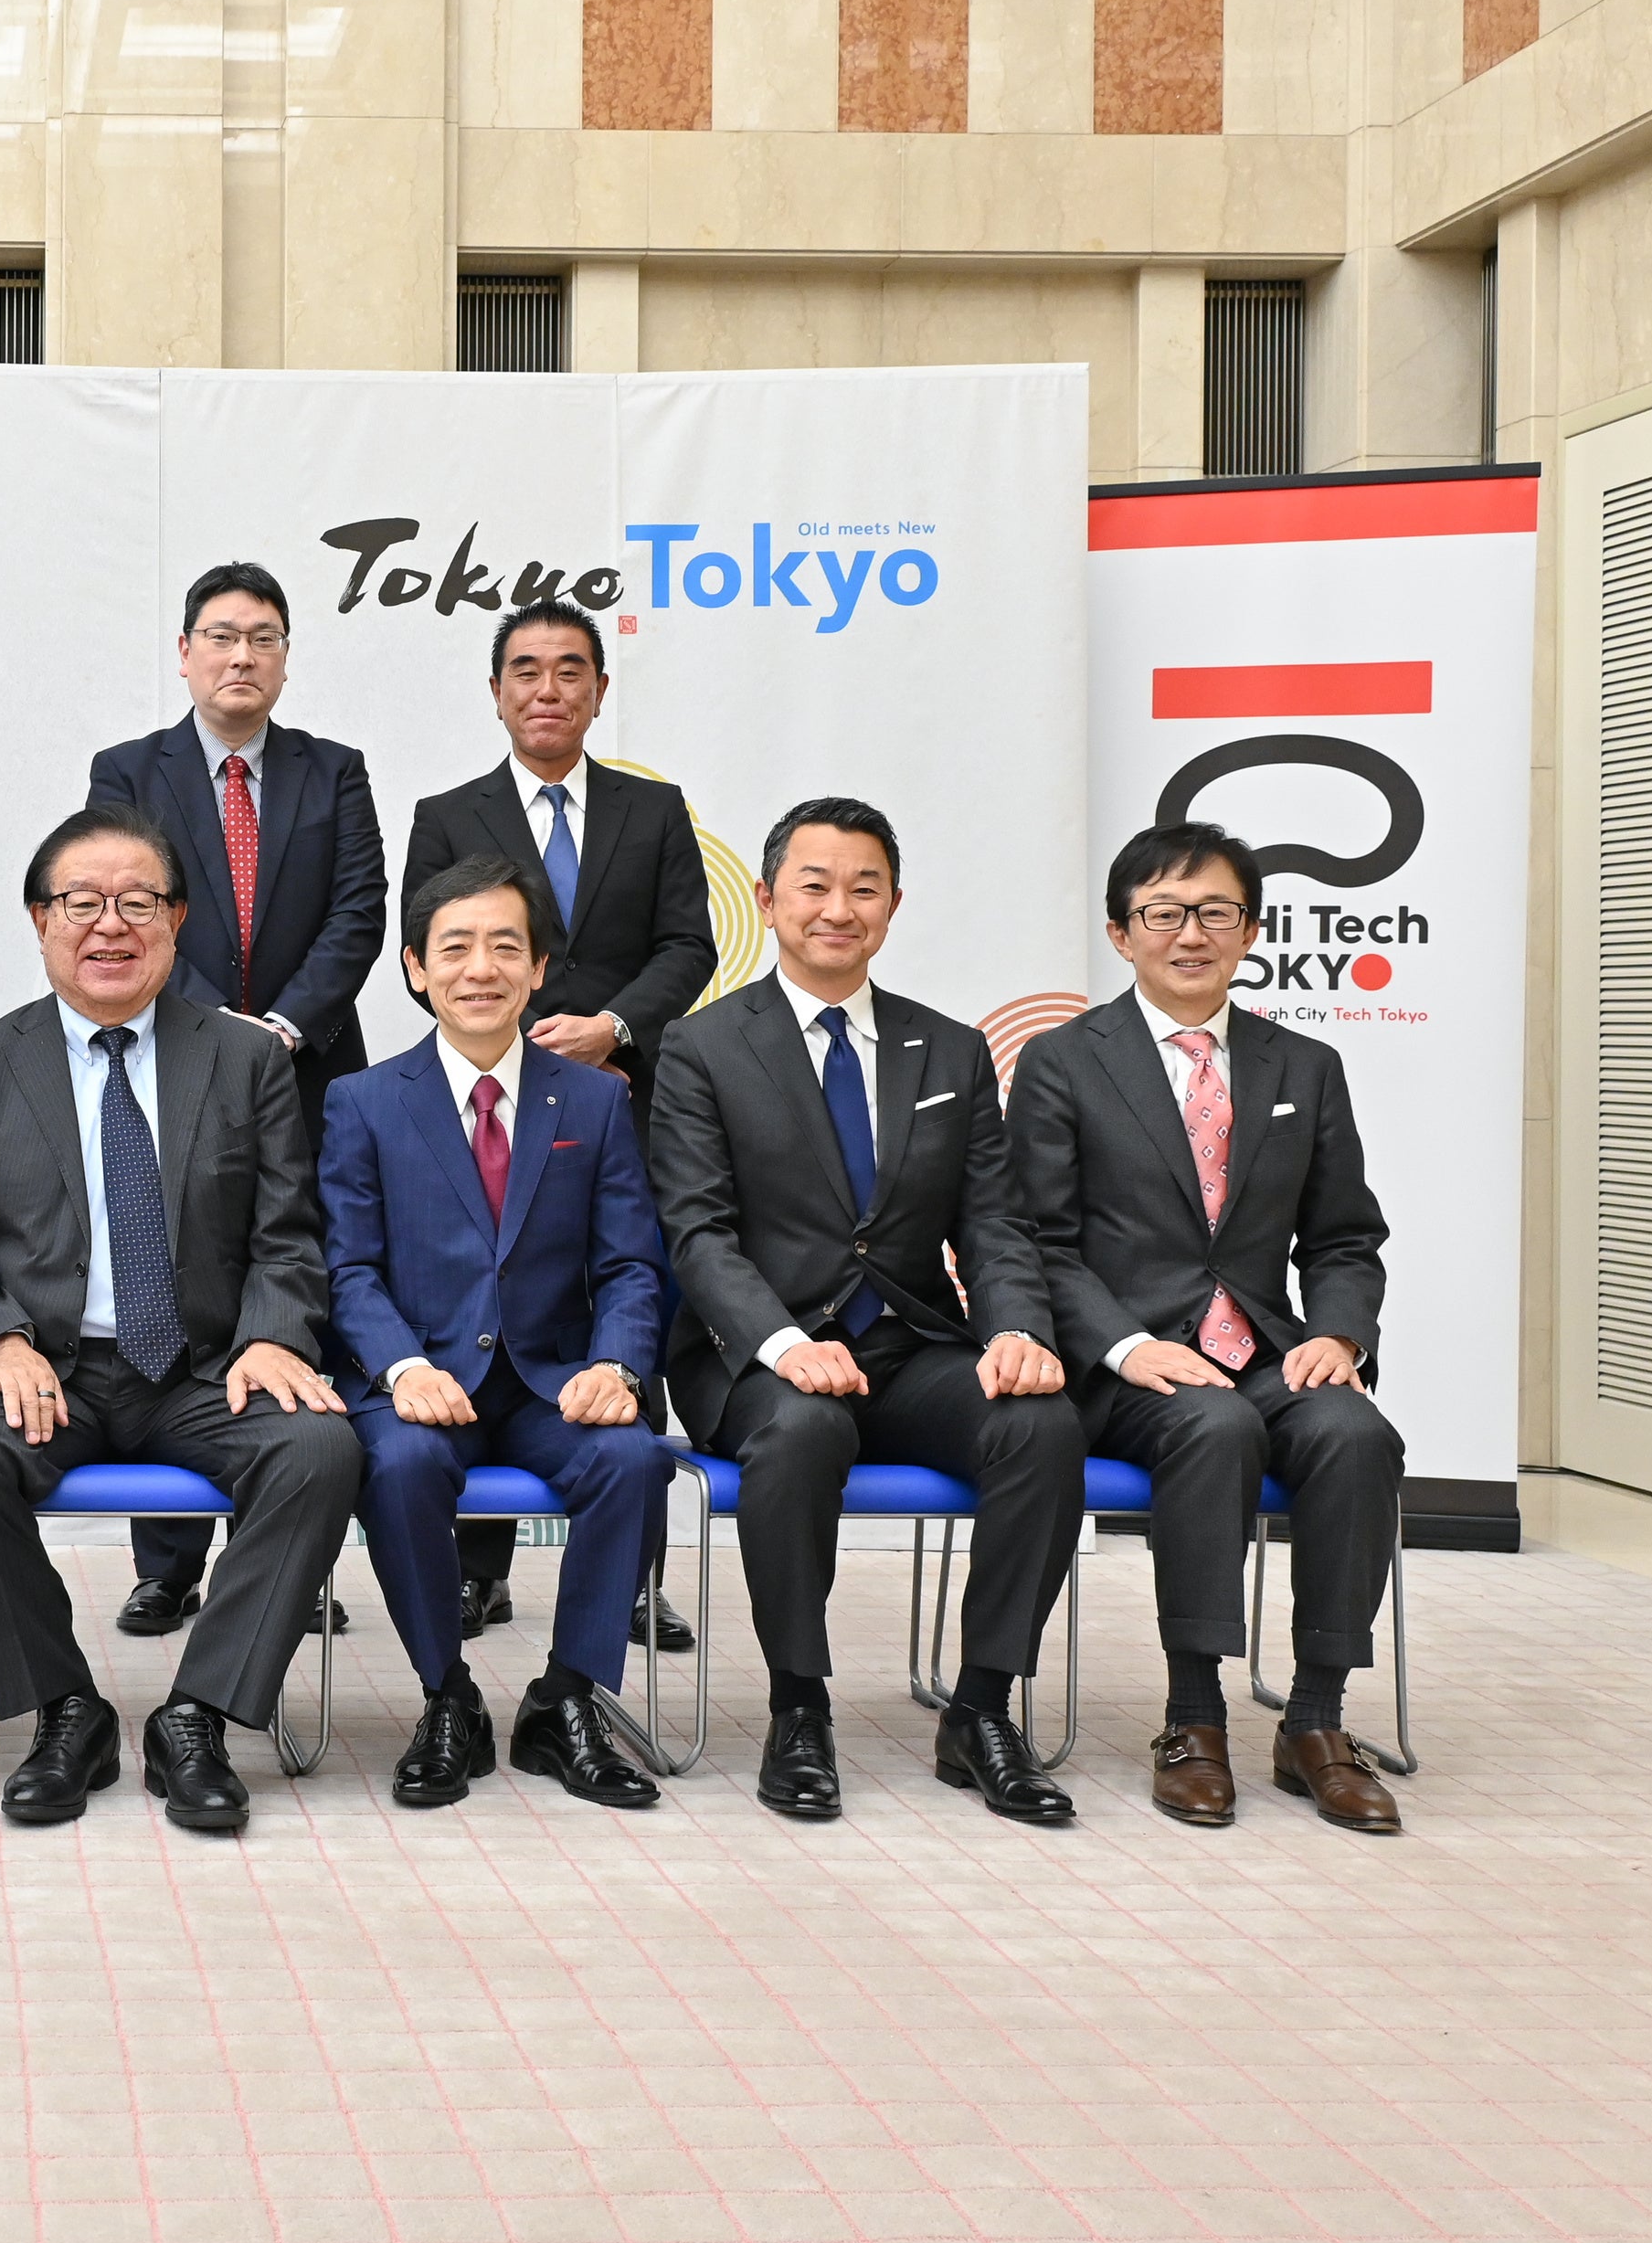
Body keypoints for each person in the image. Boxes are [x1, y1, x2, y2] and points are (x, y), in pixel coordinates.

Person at [0, 807, 363, 1836]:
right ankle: (67, 1708)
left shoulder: (244, 1057)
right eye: (82, 902)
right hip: (41, 1367)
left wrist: (272, 1334)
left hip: (203, 1366)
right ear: (39, 919)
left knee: (319, 1450)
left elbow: (289, 1232)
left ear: (177, 919)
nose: (110, 924)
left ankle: (198, 1714)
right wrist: (0, 1340)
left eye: (138, 902)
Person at [645, 797, 1084, 1825]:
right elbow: (698, 1233)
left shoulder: (950, 1050)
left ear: (893, 904)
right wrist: (784, 1343)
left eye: (864, 888)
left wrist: (1017, 1328)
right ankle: (799, 1707)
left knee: (1041, 1425)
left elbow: (995, 1223)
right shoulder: (702, 1047)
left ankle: (981, 1710)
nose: (839, 908)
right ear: (767, 900)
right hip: (758, 1357)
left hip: (908, 1343)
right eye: (815, 885)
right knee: (803, 1431)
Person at [1010, 820, 1404, 1835]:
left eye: (1216, 911)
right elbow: (1042, 1241)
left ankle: (1315, 1722)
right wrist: (1128, 1345)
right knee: (1213, 1426)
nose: (1192, 933)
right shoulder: (1063, 1062)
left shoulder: (1304, 1066)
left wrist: (1339, 1336)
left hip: (1263, 1350)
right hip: (1128, 1363)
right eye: (1164, 913)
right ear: (1121, 932)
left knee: (1358, 1434)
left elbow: (1346, 1237)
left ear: (1251, 929)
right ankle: (1194, 1718)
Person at [323, 855, 674, 1811]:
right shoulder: (363, 1101)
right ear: (415, 967)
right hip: (421, 1377)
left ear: (539, 967)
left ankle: (566, 1699)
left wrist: (617, 1364)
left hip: (549, 1378)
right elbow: (347, 1267)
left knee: (634, 1459)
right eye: (455, 948)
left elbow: (630, 1264)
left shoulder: (595, 1099)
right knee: (399, 1466)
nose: (480, 968)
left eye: (505, 947)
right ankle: (449, 1696)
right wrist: (401, 1366)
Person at [402, 599, 715, 1646]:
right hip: (495, 1100)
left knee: (631, 1310)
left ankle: (633, 1578)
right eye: (526, 670)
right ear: (496, 691)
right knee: (490, 1307)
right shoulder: (448, 813)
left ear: (599, 689)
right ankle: (476, 1574)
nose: (548, 688)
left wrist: (612, 1027)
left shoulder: (652, 809)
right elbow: (424, 955)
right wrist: (527, 1041)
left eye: (570, 669)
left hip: (622, 1097)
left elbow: (689, 944)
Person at [89, 561, 387, 1638]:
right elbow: (125, 907)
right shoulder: (129, 770)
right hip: (172, 1064)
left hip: (312, 1069)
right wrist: (215, 1026)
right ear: (185, 653)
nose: (241, 656)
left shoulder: (333, 771)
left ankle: (292, 1560)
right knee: (172, 1278)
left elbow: (359, 912)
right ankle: (166, 1564)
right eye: (221, 636)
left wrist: (285, 1026)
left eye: (263, 637)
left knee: (302, 1286)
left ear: (287, 657)